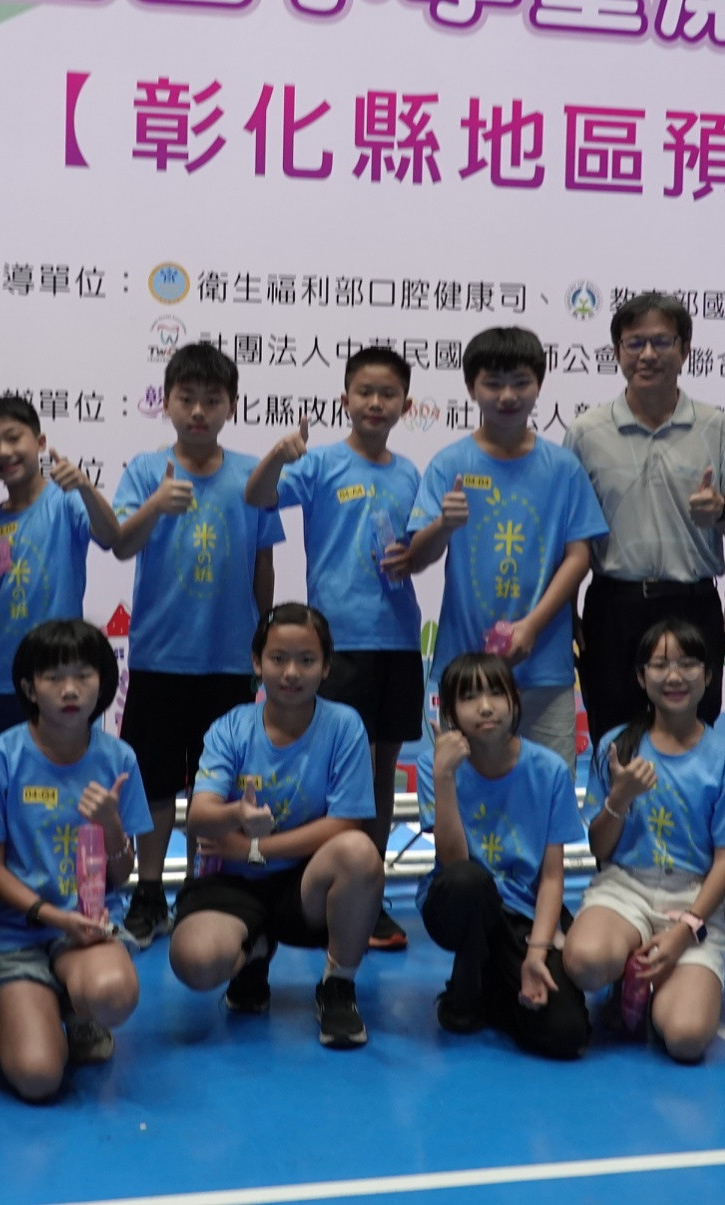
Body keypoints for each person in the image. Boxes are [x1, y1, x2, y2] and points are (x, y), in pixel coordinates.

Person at [244, 346, 423, 952]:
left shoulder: (410, 474)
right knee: (345, 777)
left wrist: (415, 554)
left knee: (382, 774)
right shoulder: (319, 463)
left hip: (398, 639)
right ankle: (327, 895)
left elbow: (423, 551)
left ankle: (369, 895)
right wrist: (279, 454)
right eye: (364, 392)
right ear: (344, 398)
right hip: (338, 644)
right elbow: (257, 496)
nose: (375, 403)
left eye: (388, 394)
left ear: (405, 404)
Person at [111, 343, 283, 944]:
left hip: (229, 659)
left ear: (232, 405)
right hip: (160, 655)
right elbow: (121, 545)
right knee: (156, 783)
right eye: (187, 399)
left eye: (213, 400)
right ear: (166, 402)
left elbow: (263, 563)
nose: (199, 411)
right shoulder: (145, 471)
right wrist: (156, 505)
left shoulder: (252, 474)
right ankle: (148, 890)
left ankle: (203, 885)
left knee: (217, 785)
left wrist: (262, 640)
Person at [168, 604, 382, 1049]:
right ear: (256, 663)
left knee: (359, 852)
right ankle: (255, 949)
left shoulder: (345, 726)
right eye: (278, 658)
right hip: (232, 885)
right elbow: (200, 815)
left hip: (304, 887)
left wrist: (252, 848)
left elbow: (345, 824)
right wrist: (235, 815)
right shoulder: (230, 728)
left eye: (306, 660)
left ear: (326, 666)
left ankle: (338, 985)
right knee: (194, 963)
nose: (291, 673)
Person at [562, 619, 725, 1063]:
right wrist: (619, 798)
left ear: (708, 676)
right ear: (640, 677)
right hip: (625, 888)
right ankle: (623, 972)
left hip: (694, 898)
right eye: (659, 665)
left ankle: (654, 984)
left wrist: (686, 930)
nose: (674, 676)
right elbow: (599, 849)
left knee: (686, 1039)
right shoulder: (617, 747)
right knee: (586, 962)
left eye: (688, 664)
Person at [406, 326, 606, 762]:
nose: (507, 395)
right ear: (471, 389)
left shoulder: (563, 468)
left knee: (550, 783)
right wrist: (444, 525)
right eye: (493, 384)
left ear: (539, 386)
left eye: (520, 382)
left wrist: (531, 627)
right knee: (463, 784)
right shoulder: (450, 463)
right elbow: (417, 559)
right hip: (466, 665)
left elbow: (579, 556)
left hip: (544, 665)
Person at [567, 292, 725, 744]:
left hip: (692, 604)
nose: (648, 354)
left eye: (661, 341)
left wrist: (721, 511)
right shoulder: (586, 433)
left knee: (694, 741)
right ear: (617, 352)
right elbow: (570, 533)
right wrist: (568, 610)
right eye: (634, 343)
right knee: (615, 740)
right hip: (613, 607)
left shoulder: (718, 427)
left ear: (685, 349)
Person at [0, 619, 148, 1101]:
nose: (70, 690)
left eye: (83, 675)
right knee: (38, 1077)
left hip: (87, 929)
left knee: (115, 995)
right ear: (30, 688)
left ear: (103, 681)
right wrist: (51, 915)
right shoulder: (0, 759)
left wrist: (111, 825)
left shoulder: (119, 759)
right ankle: (11, 1005)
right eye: (53, 678)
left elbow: (122, 874)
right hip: (15, 933)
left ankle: (77, 1008)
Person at [418, 652, 589, 1059]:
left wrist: (536, 954)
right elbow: (454, 863)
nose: (485, 707)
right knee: (468, 882)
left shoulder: (549, 770)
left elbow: (552, 878)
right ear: (449, 711)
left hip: (523, 913)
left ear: (515, 699)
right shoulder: (434, 765)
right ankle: (465, 989)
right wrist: (444, 777)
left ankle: (495, 986)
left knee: (566, 1033)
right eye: (469, 696)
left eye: (496, 692)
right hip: (459, 902)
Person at [0, 396, 119, 739]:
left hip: (58, 675)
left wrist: (84, 487)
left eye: (13, 438)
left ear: (40, 442)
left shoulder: (66, 501)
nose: (3, 451)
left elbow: (111, 536)